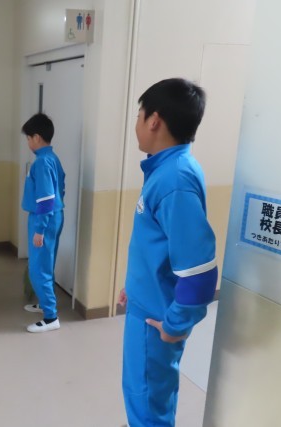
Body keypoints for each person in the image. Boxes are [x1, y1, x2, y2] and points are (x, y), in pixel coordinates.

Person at [118, 78, 218, 426]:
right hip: (145, 304)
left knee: (148, 403)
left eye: (139, 116)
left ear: (154, 121)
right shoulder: (165, 169)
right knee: (145, 396)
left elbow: (200, 272)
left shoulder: (174, 180)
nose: (137, 124)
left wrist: (174, 325)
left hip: (156, 318)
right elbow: (157, 246)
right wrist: (134, 286)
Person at [20, 113, 65, 333]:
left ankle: (50, 317)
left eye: (28, 138)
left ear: (37, 137)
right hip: (53, 216)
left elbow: (46, 199)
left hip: (43, 219)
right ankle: (45, 304)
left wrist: (40, 229)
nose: (28, 142)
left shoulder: (41, 162)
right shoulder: (52, 158)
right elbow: (61, 188)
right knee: (46, 264)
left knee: (38, 269)